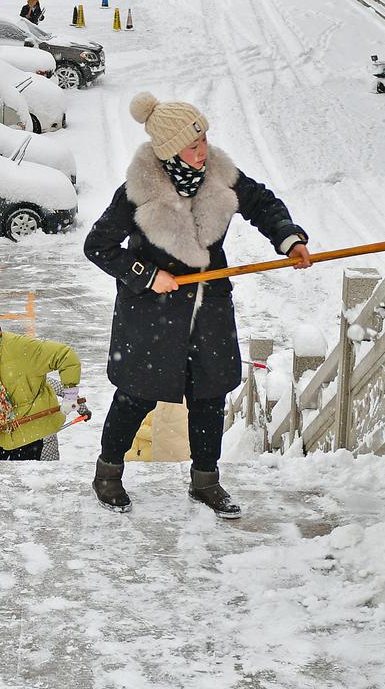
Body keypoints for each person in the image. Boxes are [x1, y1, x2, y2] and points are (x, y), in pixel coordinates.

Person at [83, 92, 312, 519]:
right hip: (151, 313)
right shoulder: (136, 193)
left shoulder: (221, 174)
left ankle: (206, 481)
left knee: (209, 396)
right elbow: (98, 247)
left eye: (204, 138)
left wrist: (289, 238)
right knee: (136, 396)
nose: (204, 150)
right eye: (194, 144)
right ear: (170, 150)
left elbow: (262, 203)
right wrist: (148, 276)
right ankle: (108, 473)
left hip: (209, 308)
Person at [0, 302, 81, 460]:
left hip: (31, 430)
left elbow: (65, 356)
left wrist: (70, 394)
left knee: (26, 481)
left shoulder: (21, 347)